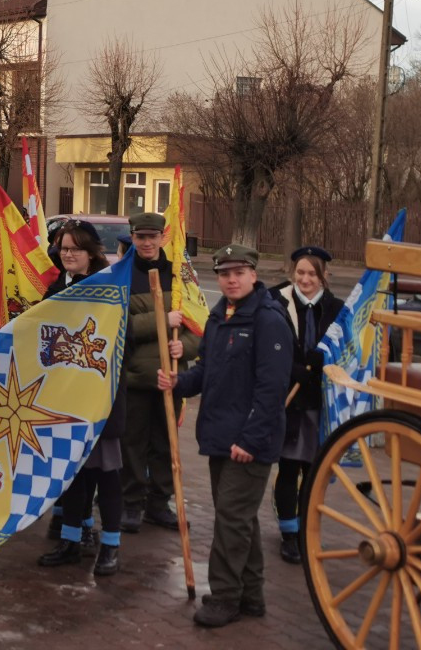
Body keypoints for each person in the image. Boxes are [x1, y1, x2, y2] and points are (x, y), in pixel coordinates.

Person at [158, 244, 291, 628]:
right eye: (224, 273)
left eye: (238, 272)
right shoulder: (221, 316)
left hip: (249, 442)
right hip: (220, 435)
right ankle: (251, 595)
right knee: (240, 519)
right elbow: (208, 370)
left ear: (253, 274)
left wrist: (251, 440)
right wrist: (178, 382)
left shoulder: (269, 320)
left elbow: (272, 389)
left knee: (231, 520)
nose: (231, 280)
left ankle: (224, 597)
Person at [37, 219, 123, 576]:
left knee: (106, 473)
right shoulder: (54, 289)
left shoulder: (109, 288)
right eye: (64, 249)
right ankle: (71, 540)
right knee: (70, 473)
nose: (68, 255)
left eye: (75, 249)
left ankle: (112, 546)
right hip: (64, 400)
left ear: (91, 253)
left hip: (102, 399)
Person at [119, 213, 200, 533]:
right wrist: (161, 321)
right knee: (133, 444)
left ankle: (158, 503)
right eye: (141, 237)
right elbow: (118, 326)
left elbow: (198, 325)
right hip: (136, 378)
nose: (147, 243)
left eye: (153, 237)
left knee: (166, 445)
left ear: (162, 238)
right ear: (133, 239)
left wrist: (187, 348)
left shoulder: (180, 277)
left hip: (172, 378)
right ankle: (131, 504)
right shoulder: (122, 276)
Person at [269, 246, 343, 565]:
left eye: (312, 273)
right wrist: (290, 367)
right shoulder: (277, 302)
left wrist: (326, 363)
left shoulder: (337, 309)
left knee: (313, 469)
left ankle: (305, 530)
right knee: (287, 465)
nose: (305, 279)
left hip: (320, 400)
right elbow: (269, 345)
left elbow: (347, 347)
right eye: (300, 272)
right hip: (289, 397)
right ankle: (288, 532)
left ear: (323, 275)